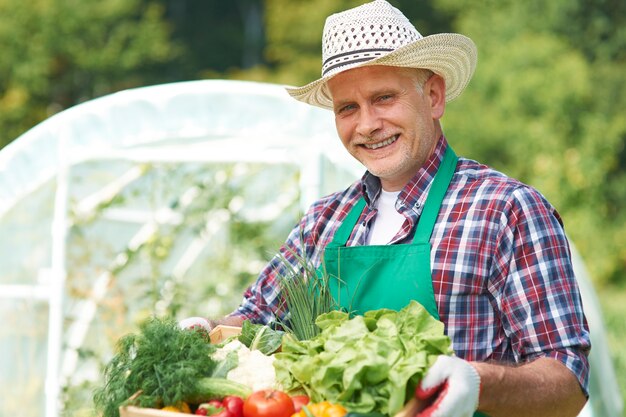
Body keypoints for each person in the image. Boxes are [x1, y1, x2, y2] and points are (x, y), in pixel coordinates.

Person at [181, 1, 591, 416]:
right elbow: (255, 320)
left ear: (432, 96)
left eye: (384, 98)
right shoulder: (323, 222)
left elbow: (568, 382)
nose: (367, 124)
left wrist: (478, 383)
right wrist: (205, 330)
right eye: (348, 108)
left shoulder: (505, 210)